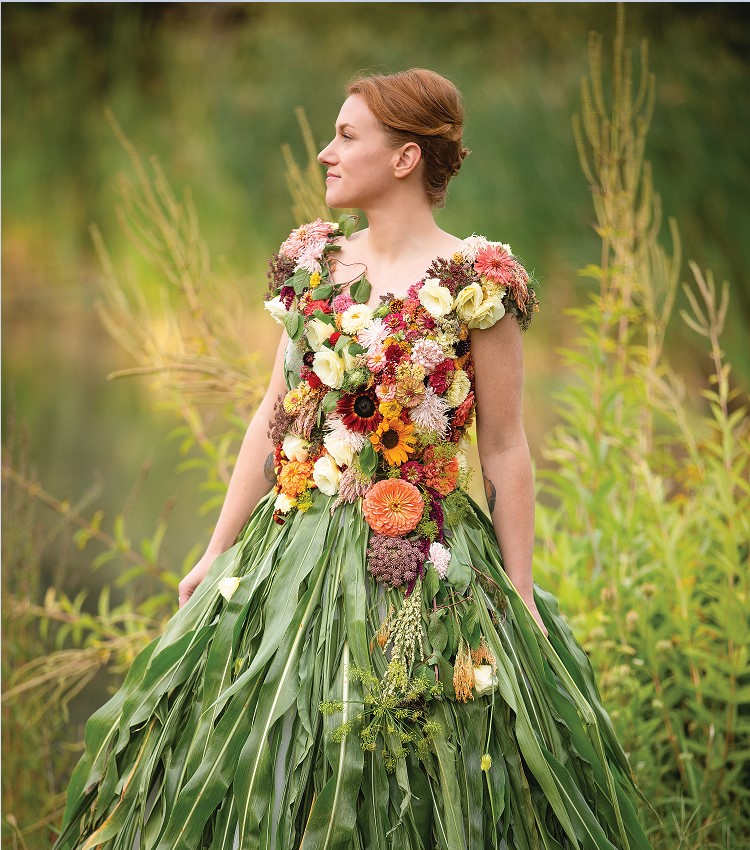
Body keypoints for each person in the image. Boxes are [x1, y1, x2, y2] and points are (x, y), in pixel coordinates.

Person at [53, 69, 651, 850]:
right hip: (294, 548)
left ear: (405, 159)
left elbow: (504, 446)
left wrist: (523, 594)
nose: (327, 154)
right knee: (269, 746)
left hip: (430, 558)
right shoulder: (313, 263)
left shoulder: (480, 282)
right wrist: (215, 549)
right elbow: (273, 419)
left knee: (431, 759)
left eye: (347, 136)